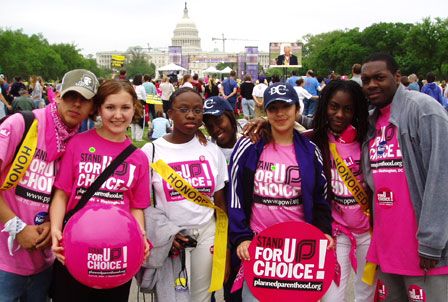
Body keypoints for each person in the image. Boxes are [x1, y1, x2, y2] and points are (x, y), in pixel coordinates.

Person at [227, 83, 333, 301]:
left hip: (299, 249)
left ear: (297, 109)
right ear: (265, 112)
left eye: (285, 106)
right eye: (273, 108)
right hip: (259, 248)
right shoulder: (249, 145)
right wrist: (241, 238)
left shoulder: (310, 150)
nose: (280, 113)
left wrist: (323, 231)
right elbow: (235, 194)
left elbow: (320, 196)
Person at [0, 69, 99, 302]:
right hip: (4, 261)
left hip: (43, 263)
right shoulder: (22, 124)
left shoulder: (78, 143)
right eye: (70, 96)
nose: (76, 104)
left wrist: (51, 224)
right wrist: (17, 227)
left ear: (92, 108)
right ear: (57, 95)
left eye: (84, 99)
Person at [49, 79, 150, 302]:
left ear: (135, 108)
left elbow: (136, 207)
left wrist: (141, 235)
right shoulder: (77, 144)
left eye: (125, 107)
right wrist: (56, 231)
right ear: (99, 109)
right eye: (110, 107)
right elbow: (61, 194)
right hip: (74, 247)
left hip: (116, 254)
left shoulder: (139, 158)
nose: (118, 115)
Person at [361, 53, 448, 301]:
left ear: (397, 77)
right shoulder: (372, 120)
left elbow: (442, 176)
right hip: (388, 249)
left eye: (379, 77)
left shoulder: (424, 110)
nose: (371, 85)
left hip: (425, 251)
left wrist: (432, 241)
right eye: (366, 80)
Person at [141, 87, 228, 302]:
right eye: (183, 109)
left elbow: (220, 202)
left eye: (197, 110)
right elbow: (141, 202)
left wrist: (223, 248)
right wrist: (164, 234)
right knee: (170, 298)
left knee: (202, 297)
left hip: (206, 233)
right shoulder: (150, 152)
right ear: (170, 113)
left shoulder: (211, 151)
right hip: (170, 238)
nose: (191, 115)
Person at [310, 80, 374, 302]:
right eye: (334, 106)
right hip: (337, 232)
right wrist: (261, 125)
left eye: (348, 109)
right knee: (332, 295)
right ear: (324, 106)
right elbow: (280, 130)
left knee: (367, 292)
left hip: (369, 232)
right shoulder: (313, 140)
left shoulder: (367, 139)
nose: (339, 114)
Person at [132, 75, 147, 141]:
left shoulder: (132, 86)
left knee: (133, 120)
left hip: (132, 103)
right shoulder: (141, 87)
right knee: (140, 120)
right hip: (140, 103)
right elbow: (144, 97)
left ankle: (133, 136)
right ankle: (139, 137)